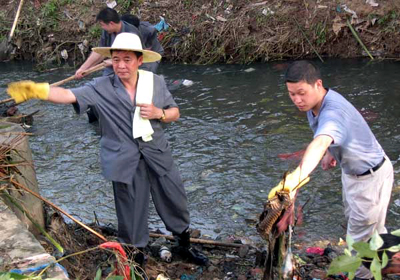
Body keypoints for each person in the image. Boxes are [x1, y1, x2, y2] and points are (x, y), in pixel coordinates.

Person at [7, 32, 208, 268]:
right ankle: (135, 257)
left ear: (139, 60)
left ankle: (183, 245)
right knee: (130, 210)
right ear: (110, 61)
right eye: (116, 60)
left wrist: (159, 113)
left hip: (157, 153)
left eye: (127, 60)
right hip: (124, 158)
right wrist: (38, 90)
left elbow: (175, 112)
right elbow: (69, 94)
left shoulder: (154, 82)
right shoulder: (101, 86)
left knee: (174, 198)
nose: (121, 65)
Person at [268, 60, 393, 280]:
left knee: (359, 242)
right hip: (354, 174)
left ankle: (363, 276)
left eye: (301, 93)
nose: (297, 100)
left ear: (318, 84)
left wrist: (296, 180)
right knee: (363, 230)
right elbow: (330, 137)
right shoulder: (316, 104)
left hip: (370, 178)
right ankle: (382, 266)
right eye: (291, 94)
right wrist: (330, 153)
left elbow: (321, 140)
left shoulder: (333, 110)